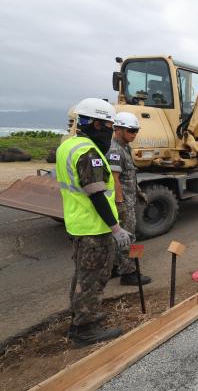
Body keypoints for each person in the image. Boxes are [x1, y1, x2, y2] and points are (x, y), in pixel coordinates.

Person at [56, 98, 130, 346]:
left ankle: (82, 317)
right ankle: (84, 330)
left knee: (82, 276)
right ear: (97, 124)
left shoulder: (68, 146)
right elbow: (97, 194)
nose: (111, 130)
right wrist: (116, 229)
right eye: (109, 125)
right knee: (93, 279)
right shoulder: (89, 153)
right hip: (94, 228)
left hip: (77, 224)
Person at [107, 112, 152, 286]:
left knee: (117, 238)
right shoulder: (115, 150)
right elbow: (114, 178)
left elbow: (129, 175)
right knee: (128, 237)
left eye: (136, 131)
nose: (134, 134)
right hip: (123, 202)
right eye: (131, 130)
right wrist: (120, 204)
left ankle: (114, 268)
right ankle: (129, 273)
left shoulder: (125, 147)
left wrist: (139, 192)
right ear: (117, 129)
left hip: (128, 198)